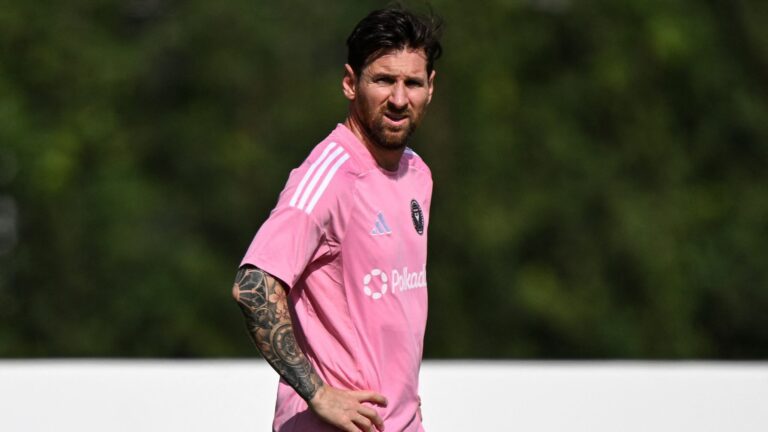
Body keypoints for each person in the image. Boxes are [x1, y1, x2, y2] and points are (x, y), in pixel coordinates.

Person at [232, 6, 442, 432]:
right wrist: (318, 393)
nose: (399, 99)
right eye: (383, 80)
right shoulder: (329, 175)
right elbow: (253, 286)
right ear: (350, 83)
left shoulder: (417, 173)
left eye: (412, 83)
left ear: (430, 87)